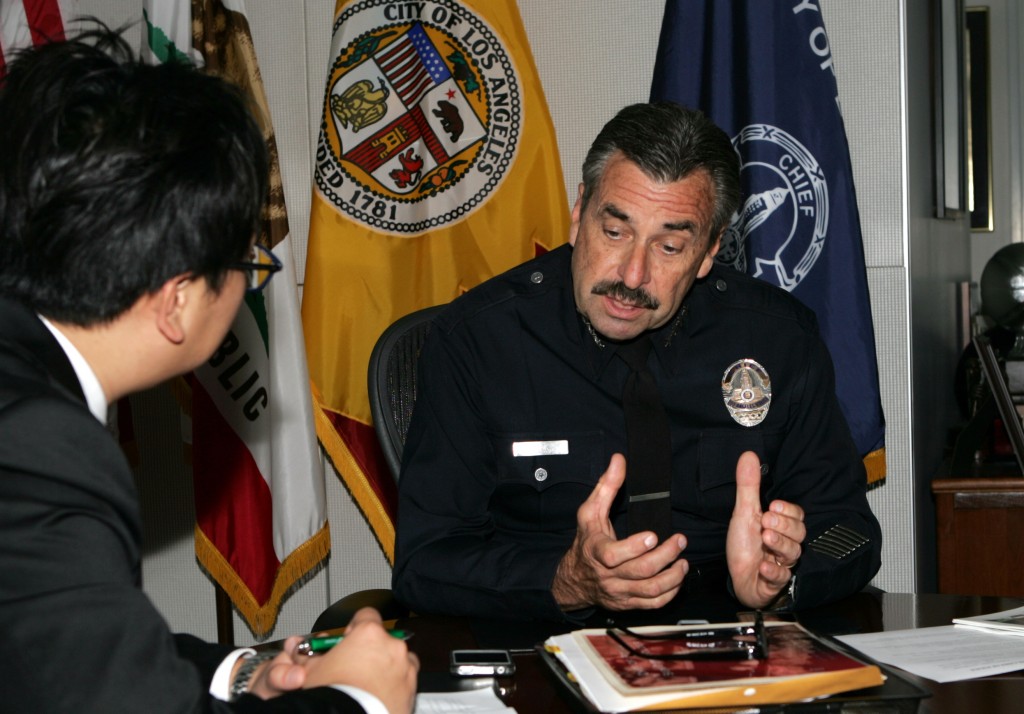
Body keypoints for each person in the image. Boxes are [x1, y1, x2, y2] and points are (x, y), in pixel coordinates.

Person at [0, 27, 417, 713]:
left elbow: (73, 646)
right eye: (247, 265)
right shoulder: (41, 448)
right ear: (178, 300)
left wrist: (241, 673)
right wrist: (357, 700)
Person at [392, 102, 881, 624]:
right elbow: (426, 562)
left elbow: (849, 529)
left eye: (669, 246)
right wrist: (565, 579)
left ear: (710, 251)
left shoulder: (777, 338)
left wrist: (783, 578)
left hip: (728, 646)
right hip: (547, 642)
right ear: (579, 213)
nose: (632, 273)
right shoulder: (477, 341)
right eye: (615, 231)